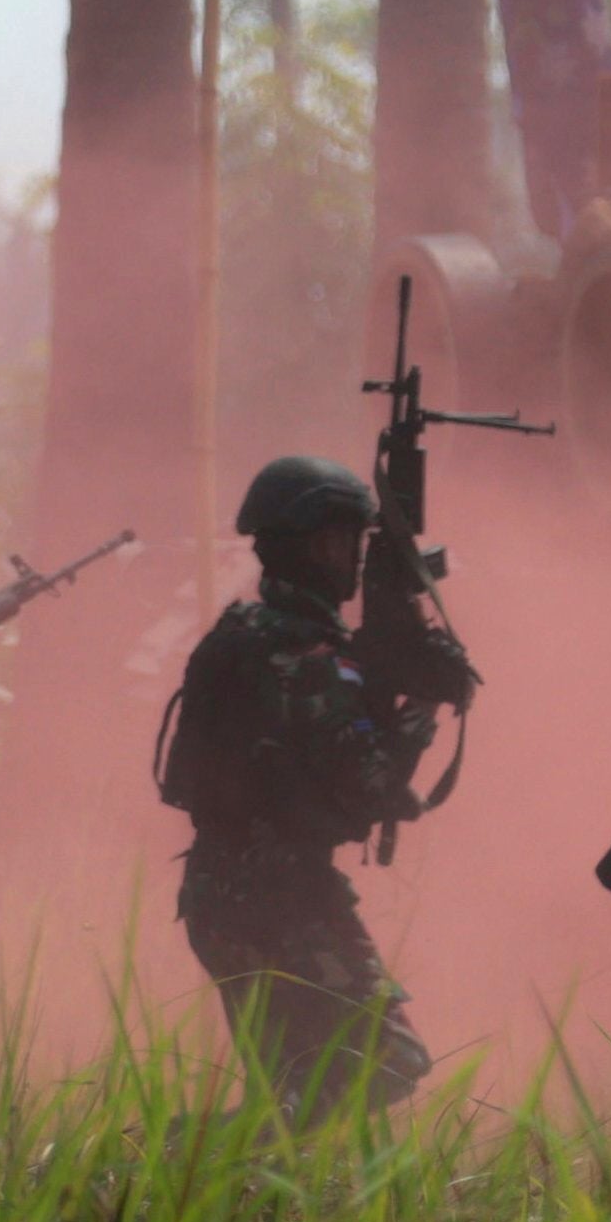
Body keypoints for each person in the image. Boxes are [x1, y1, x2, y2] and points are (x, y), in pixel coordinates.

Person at [156, 455, 473, 1121]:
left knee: (292, 1090)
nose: (355, 559)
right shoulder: (303, 657)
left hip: (229, 893)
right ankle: (148, 1160)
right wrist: (422, 704)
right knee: (384, 1062)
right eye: (350, 541)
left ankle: (162, 1167)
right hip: (278, 901)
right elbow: (373, 786)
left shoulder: (250, 635)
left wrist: (388, 671)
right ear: (323, 545)